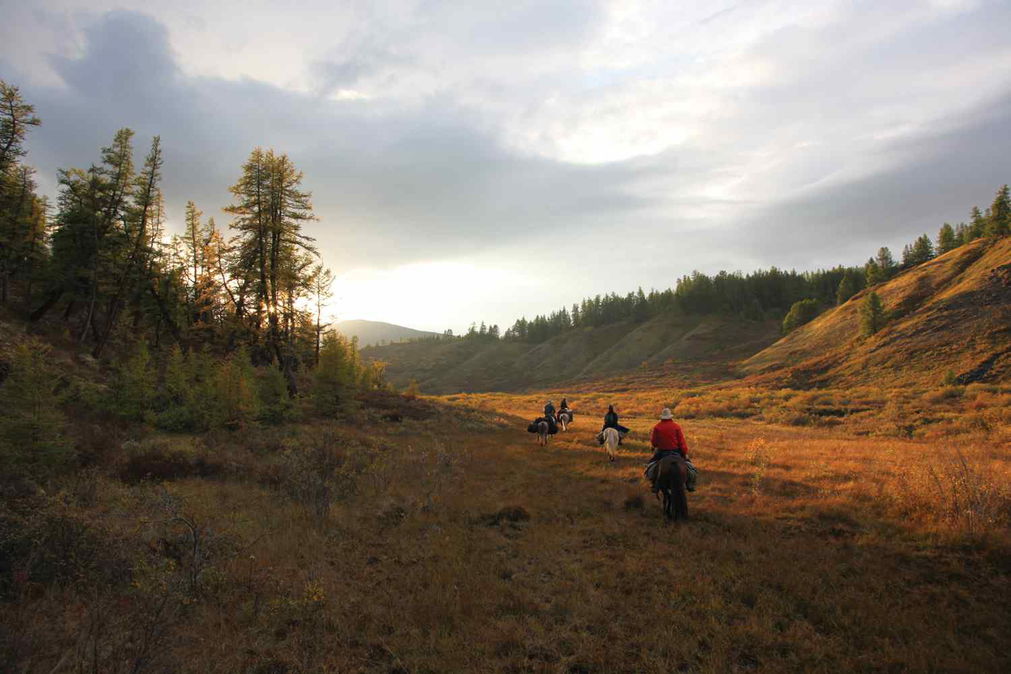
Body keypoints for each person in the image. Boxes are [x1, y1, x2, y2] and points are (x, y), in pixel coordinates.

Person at [645, 408, 690, 493]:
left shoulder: (657, 427)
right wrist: (684, 452)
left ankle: (654, 484)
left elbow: (654, 442)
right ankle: (689, 483)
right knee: (690, 467)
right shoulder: (676, 426)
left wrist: (655, 445)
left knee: (650, 466)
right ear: (670, 417)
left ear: (662, 417)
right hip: (676, 451)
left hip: (662, 452)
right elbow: (681, 441)